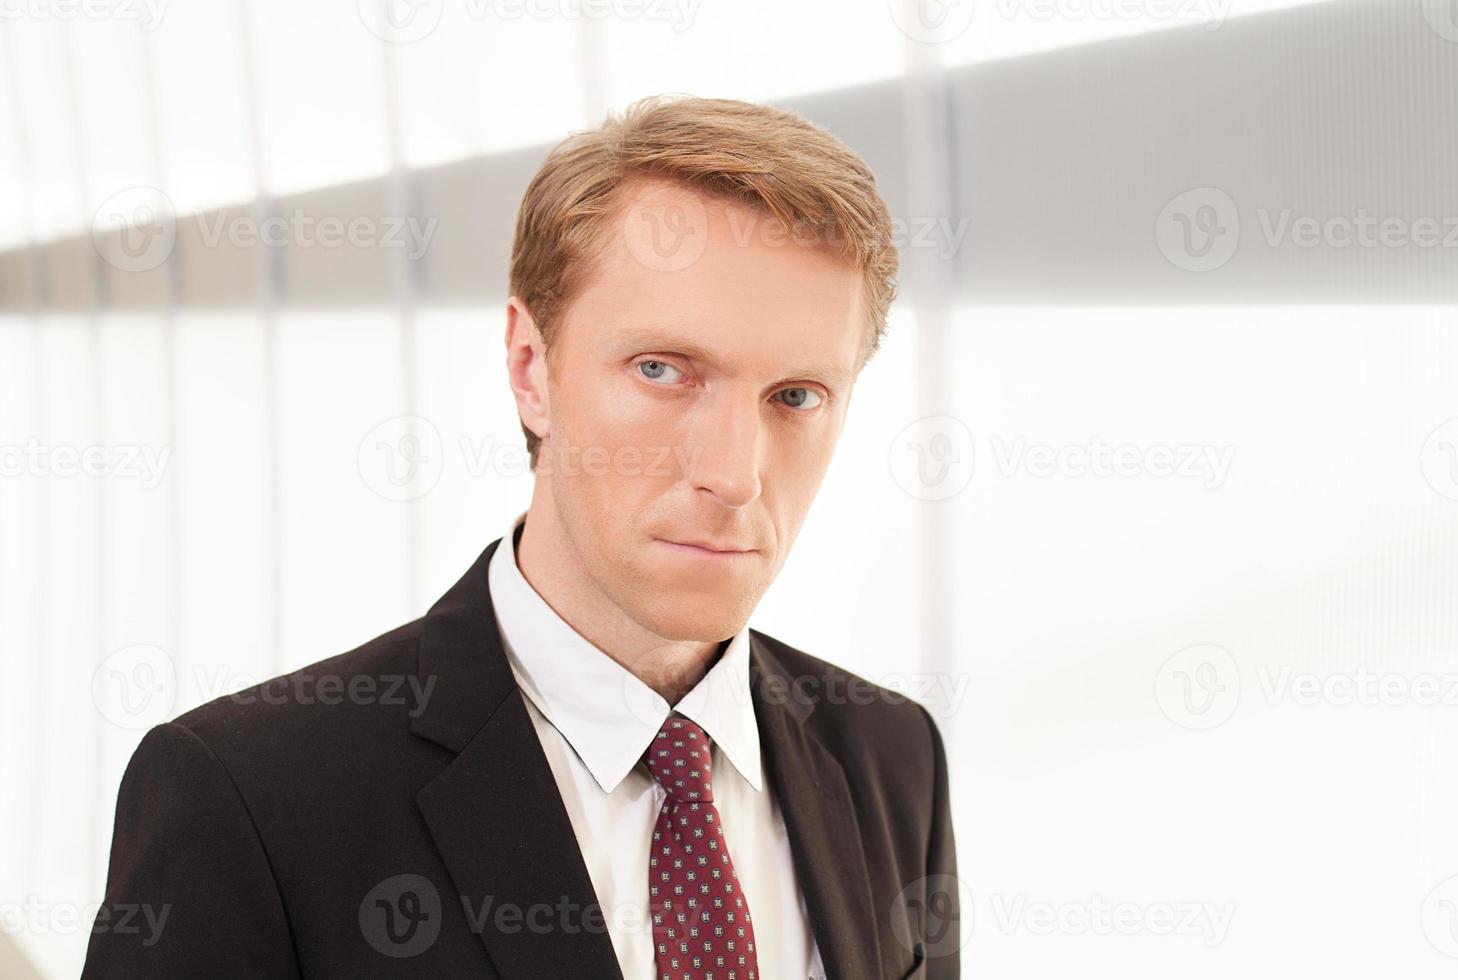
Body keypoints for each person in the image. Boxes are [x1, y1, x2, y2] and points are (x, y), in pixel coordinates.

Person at [83, 94, 959, 980]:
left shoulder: (891, 757)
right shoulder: (251, 801)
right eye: (662, 370)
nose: (735, 475)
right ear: (530, 369)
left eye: (797, 396)